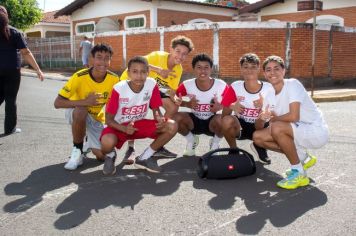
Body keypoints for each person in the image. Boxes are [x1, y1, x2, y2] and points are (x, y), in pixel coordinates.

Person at [253, 55, 329, 189]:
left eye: (277, 68)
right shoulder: (268, 94)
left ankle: (298, 173)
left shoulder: (292, 84)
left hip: (315, 131)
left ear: (283, 71)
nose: (273, 73)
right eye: (269, 70)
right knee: (258, 137)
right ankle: (303, 157)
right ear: (264, 74)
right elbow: (260, 127)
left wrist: (273, 118)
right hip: (296, 131)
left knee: (276, 127)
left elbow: (294, 116)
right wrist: (261, 117)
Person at [119, 35, 194, 162]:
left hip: (152, 89)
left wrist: (176, 98)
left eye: (184, 54)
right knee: (135, 112)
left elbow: (171, 90)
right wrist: (158, 70)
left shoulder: (178, 69)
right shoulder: (157, 56)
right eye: (178, 52)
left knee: (173, 106)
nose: (180, 57)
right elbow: (134, 64)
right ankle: (130, 148)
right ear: (171, 49)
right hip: (132, 85)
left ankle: (157, 145)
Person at [100, 56, 178, 175]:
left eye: (143, 72)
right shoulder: (119, 89)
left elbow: (156, 108)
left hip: (137, 126)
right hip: (118, 126)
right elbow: (109, 120)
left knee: (171, 126)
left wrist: (159, 117)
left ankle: (144, 158)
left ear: (148, 72)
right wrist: (124, 129)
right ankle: (110, 155)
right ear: (128, 73)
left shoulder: (151, 84)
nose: (139, 76)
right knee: (106, 143)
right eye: (135, 72)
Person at [54, 43, 119, 170]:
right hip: (77, 112)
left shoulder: (114, 79)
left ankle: (89, 142)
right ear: (92, 59)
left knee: (101, 156)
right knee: (81, 110)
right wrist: (86, 101)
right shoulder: (79, 77)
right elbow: (58, 103)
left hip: (97, 119)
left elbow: (116, 106)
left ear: (110, 61)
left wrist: (111, 127)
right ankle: (77, 151)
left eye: (107, 58)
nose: (103, 61)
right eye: (99, 57)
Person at [221, 53, 275, 163]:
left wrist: (264, 106)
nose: (249, 70)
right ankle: (233, 149)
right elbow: (224, 115)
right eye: (245, 67)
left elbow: (276, 113)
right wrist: (232, 106)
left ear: (259, 69)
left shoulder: (269, 88)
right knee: (226, 120)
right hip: (241, 126)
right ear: (241, 69)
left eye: (253, 67)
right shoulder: (235, 86)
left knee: (262, 119)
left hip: (261, 126)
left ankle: (259, 146)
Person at [0, 5, 44, 136]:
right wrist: (38, 70)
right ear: (6, 16)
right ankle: (10, 129)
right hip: (12, 71)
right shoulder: (14, 32)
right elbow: (26, 52)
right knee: (10, 100)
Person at [173, 53, 228, 156]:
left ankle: (215, 144)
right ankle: (191, 140)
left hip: (212, 123)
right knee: (175, 117)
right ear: (194, 69)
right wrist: (186, 103)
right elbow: (173, 98)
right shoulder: (187, 84)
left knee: (224, 119)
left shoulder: (221, 85)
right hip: (194, 122)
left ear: (211, 69)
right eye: (199, 67)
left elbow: (232, 101)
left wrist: (221, 106)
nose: (203, 71)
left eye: (206, 67)